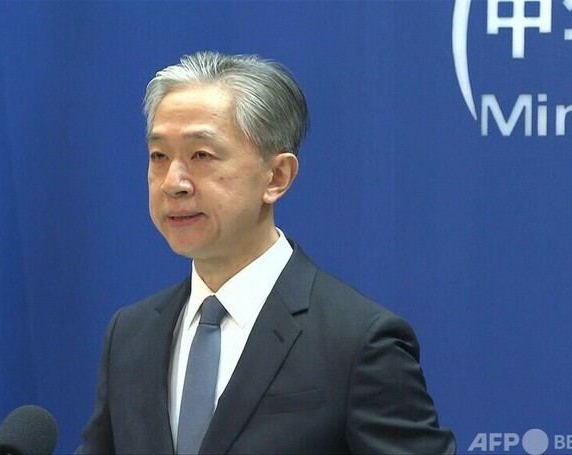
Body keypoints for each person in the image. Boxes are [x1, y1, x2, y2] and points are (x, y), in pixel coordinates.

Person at [76, 51, 455, 454]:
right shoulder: (130, 334)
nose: (173, 182)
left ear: (276, 176)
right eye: (159, 156)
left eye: (201, 155)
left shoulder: (358, 343)